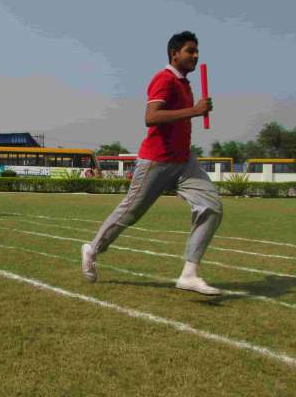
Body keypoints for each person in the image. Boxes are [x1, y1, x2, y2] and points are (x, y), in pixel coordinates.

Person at [81, 31, 223, 295]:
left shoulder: (185, 84)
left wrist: (196, 109)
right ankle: (93, 248)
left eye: (197, 51)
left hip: (184, 162)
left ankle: (189, 274)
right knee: (130, 213)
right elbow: (151, 116)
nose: (195, 55)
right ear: (174, 54)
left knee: (212, 207)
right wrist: (195, 110)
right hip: (156, 161)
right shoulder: (164, 79)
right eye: (190, 50)